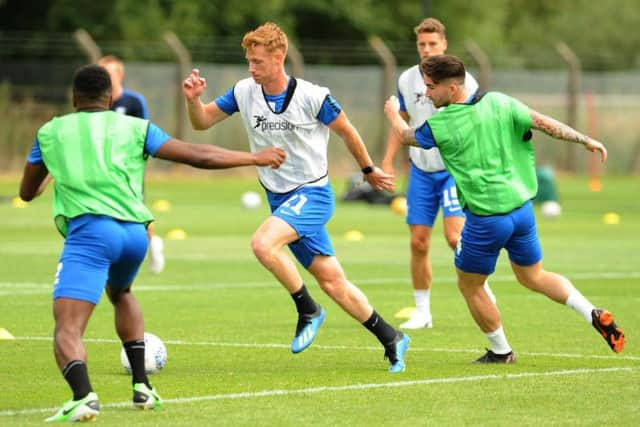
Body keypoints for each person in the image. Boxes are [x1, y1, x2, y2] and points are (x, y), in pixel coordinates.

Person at [19, 64, 285, 422]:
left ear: (73, 98)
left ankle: (83, 396)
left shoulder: (50, 131)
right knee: (122, 293)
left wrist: (49, 177)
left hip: (92, 235)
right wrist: (254, 157)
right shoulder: (136, 127)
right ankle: (142, 386)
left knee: (67, 326)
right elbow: (197, 155)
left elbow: (27, 191)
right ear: (111, 98)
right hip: (135, 235)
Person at [182, 22, 410, 373]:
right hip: (279, 200)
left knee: (262, 244)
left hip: (313, 195)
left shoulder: (312, 96)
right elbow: (202, 122)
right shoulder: (244, 91)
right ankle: (391, 336)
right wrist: (194, 101)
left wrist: (367, 170)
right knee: (333, 281)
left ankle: (308, 309)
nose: (251, 68)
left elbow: (347, 131)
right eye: (249, 61)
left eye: (258, 61)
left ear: (279, 57)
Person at [384, 54, 625, 362]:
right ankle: (591, 312)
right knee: (533, 276)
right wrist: (585, 140)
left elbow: (405, 136)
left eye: (432, 88)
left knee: (470, 285)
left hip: (487, 219)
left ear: (454, 87)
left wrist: (394, 113)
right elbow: (545, 123)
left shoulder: (442, 124)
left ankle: (501, 351)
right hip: (522, 211)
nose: (427, 94)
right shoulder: (500, 101)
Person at [381, 17, 494, 330]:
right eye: (422, 44)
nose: (427, 49)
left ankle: (481, 288)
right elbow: (401, 123)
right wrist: (387, 162)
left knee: (454, 237)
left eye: (433, 44)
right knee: (418, 242)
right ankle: (423, 312)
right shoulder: (406, 79)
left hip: (452, 170)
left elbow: (477, 123)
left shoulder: (465, 81)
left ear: (444, 45)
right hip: (421, 170)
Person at [98, 55, 164, 275]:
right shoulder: (97, 103)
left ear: (120, 75)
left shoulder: (133, 102)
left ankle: (153, 242)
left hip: (128, 166)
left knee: (134, 206)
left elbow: (144, 133)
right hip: (102, 165)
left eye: (109, 73)